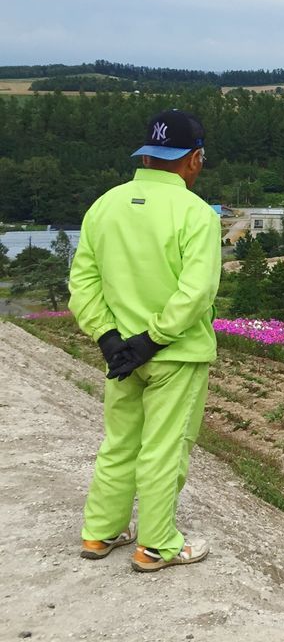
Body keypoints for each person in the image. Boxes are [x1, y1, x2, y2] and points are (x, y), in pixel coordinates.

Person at [69, 109, 220, 573]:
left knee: (119, 442)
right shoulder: (197, 213)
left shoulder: (106, 204)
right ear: (194, 159)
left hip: (119, 357)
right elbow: (195, 293)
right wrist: (151, 339)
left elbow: (83, 282)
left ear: (147, 154)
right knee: (164, 447)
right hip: (175, 354)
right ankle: (158, 545)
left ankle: (101, 531)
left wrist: (110, 338)